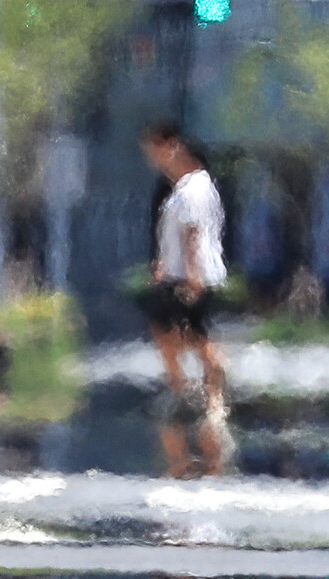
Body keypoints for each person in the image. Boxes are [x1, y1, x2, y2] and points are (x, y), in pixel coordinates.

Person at [138, 120, 228, 478]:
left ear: (173, 145)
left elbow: (193, 234)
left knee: (188, 331)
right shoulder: (185, 187)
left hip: (191, 277)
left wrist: (190, 275)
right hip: (178, 273)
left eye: (156, 150)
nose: (155, 160)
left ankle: (206, 388)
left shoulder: (194, 187)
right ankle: (184, 387)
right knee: (172, 329)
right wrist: (164, 264)